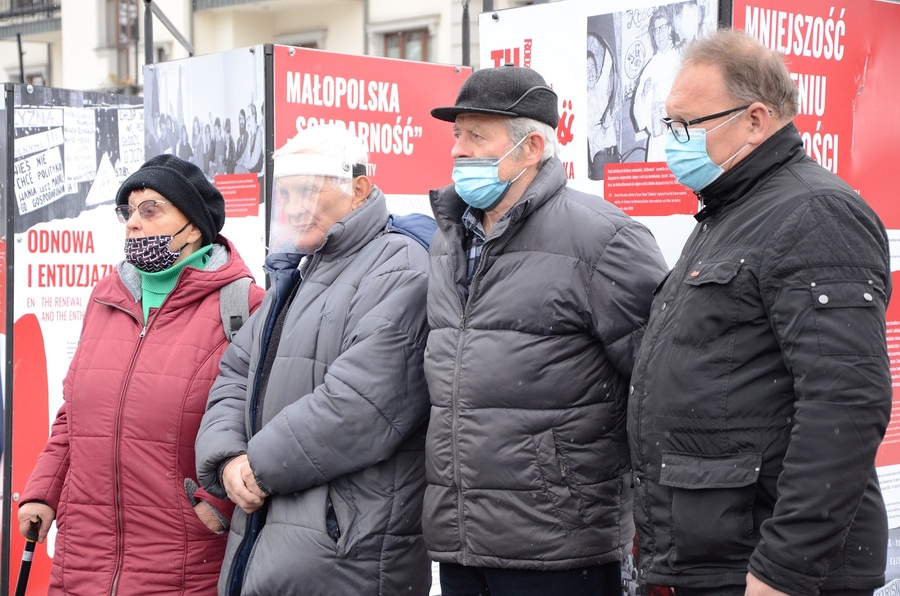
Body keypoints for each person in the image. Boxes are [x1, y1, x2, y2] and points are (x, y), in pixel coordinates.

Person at [628, 29, 891, 596]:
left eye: (688, 126)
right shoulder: (733, 211)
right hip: (713, 554)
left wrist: (782, 571)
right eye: (669, 126)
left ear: (754, 119)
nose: (673, 142)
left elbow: (845, 403)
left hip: (766, 570)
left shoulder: (815, 213)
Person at [425, 64, 668, 596]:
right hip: (462, 541)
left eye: (476, 136)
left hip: (560, 548)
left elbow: (663, 385)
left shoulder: (604, 240)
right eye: (456, 135)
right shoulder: (448, 238)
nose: (458, 150)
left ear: (531, 147)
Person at [195, 123, 433, 595]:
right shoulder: (302, 268)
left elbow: (361, 403)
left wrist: (255, 466)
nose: (295, 207)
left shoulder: (400, 266)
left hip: (346, 553)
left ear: (359, 189)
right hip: (274, 539)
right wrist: (226, 459)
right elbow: (236, 374)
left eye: (308, 190)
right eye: (285, 194)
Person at [17, 154, 265, 594]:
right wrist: (44, 490)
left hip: (181, 567)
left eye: (151, 210)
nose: (133, 222)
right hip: (83, 562)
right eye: (127, 211)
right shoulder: (105, 298)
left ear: (193, 226)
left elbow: (260, 424)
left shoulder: (244, 307)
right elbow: (74, 413)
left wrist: (217, 504)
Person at [631, 6, 681, 162]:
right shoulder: (649, 68)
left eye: (662, 28)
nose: (659, 34)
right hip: (658, 141)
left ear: (669, 29)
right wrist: (644, 95)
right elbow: (637, 113)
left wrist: (668, 106)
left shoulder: (681, 61)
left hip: (678, 136)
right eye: (655, 30)